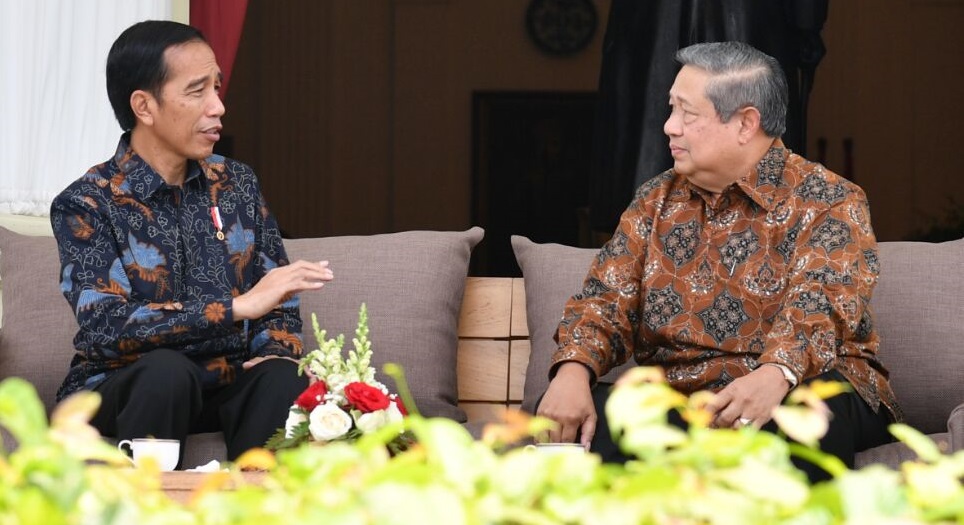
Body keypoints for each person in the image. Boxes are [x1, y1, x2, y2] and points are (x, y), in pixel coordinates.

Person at [536, 41, 900, 482]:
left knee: (806, 417)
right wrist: (574, 370)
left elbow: (821, 304)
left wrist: (775, 374)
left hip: (804, 384)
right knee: (588, 414)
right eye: (671, 109)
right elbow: (606, 300)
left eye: (688, 114)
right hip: (683, 399)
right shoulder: (655, 200)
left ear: (746, 123)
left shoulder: (828, 200)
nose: (670, 127)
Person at [50, 20, 333, 466]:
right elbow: (106, 327)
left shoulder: (236, 182)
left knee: (282, 376)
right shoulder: (86, 202)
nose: (218, 106)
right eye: (197, 91)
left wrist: (275, 351)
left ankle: (252, 511)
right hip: (125, 384)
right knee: (166, 371)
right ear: (144, 105)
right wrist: (234, 308)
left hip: (225, 379)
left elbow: (274, 295)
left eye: (217, 88)